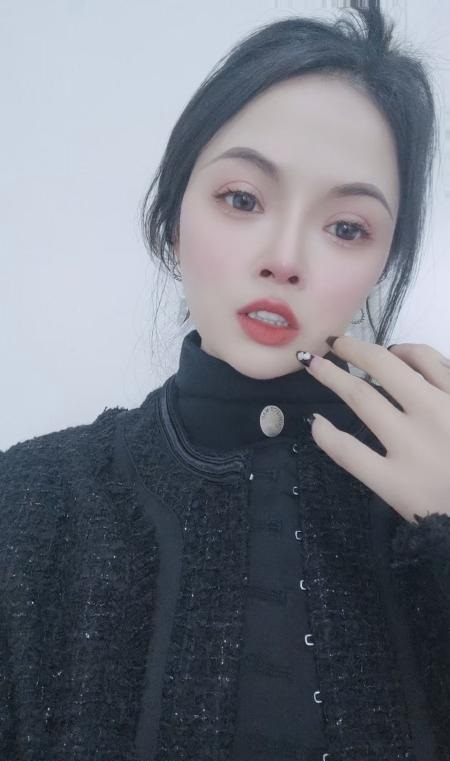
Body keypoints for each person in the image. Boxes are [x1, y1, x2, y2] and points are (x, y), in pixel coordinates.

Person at [1, 2, 449, 760]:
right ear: (173, 217)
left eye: (347, 227)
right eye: (242, 199)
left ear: (383, 263)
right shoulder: (27, 504)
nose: (285, 258)